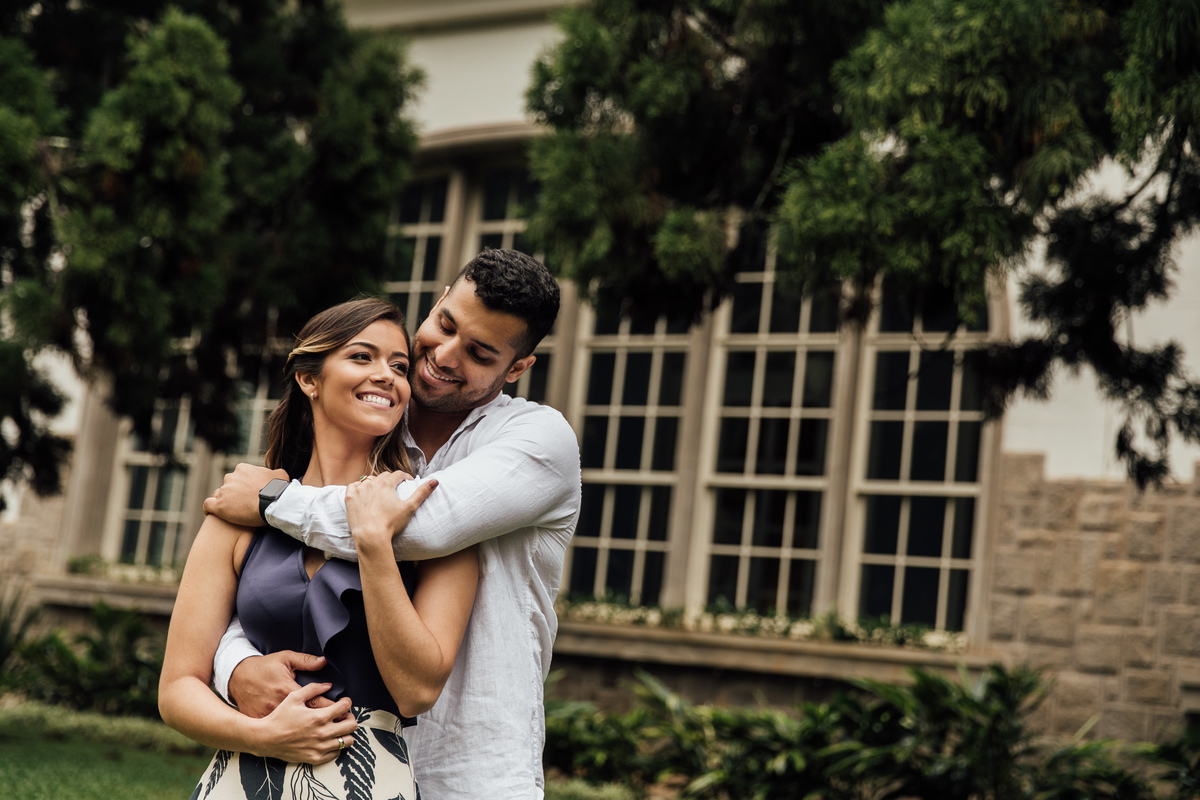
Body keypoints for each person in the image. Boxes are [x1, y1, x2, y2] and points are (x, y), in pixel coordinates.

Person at [203, 249, 582, 799]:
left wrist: (270, 501)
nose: (444, 355)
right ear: (436, 304)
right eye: (444, 324)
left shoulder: (537, 441)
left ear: (517, 368)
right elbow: (285, 584)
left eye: (478, 352)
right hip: (336, 764)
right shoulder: (371, 414)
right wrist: (234, 662)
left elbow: (419, 530)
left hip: (471, 770)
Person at [160, 298, 479, 800]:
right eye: (361, 357)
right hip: (241, 780)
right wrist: (264, 735)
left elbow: (417, 690)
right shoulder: (241, 512)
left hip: (370, 784)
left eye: (399, 366)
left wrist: (374, 543)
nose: (386, 376)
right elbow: (177, 690)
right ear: (309, 379)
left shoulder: (434, 521)